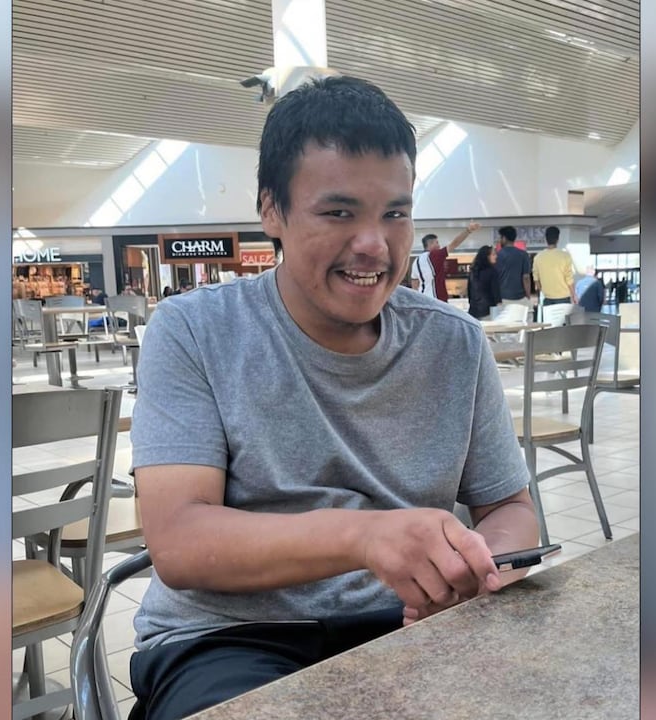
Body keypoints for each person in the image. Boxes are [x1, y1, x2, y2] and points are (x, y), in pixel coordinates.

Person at [128, 76, 538, 720]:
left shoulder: (454, 343)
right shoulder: (195, 330)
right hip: (230, 638)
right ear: (272, 210)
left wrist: (481, 568)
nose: (374, 244)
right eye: (339, 213)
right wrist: (365, 537)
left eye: (395, 214)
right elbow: (178, 542)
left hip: (414, 626)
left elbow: (509, 508)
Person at [411, 222, 480, 302]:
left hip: (423, 299)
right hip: (436, 300)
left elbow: (414, 283)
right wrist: (468, 230)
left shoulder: (416, 261)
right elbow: (454, 244)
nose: (439, 246)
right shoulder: (434, 255)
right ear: (430, 244)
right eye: (437, 242)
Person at [531, 226, 576, 328]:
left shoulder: (538, 257)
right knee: (564, 329)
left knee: (549, 328)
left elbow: (536, 279)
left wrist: (543, 289)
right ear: (557, 239)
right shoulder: (565, 256)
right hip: (564, 299)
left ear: (545, 239)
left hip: (548, 299)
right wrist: (574, 295)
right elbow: (569, 278)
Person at [493, 226, 531, 314]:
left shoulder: (497, 256)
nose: (500, 240)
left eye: (500, 238)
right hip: (520, 298)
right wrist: (528, 296)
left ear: (504, 238)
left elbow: (494, 279)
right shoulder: (523, 255)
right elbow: (526, 278)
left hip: (502, 298)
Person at [466, 245, 501, 319]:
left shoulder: (473, 271)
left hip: (473, 310)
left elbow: (469, 291)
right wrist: (499, 304)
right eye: (493, 254)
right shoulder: (492, 271)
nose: (496, 256)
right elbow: (495, 291)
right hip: (488, 310)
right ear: (487, 256)